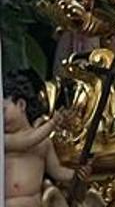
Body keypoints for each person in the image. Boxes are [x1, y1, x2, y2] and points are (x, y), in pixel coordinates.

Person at [3, 69, 95, 207]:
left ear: (21, 105)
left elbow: (56, 171)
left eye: (3, 110)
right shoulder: (4, 140)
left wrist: (77, 174)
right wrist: (53, 123)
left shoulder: (44, 143)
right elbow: (26, 142)